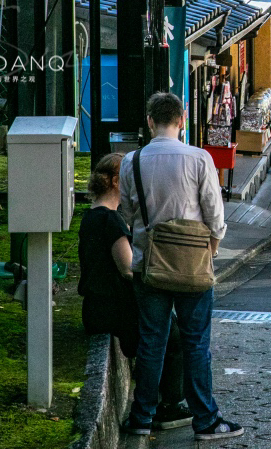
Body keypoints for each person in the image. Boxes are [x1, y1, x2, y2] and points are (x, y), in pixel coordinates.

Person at [118, 92, 241, 440]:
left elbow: (126, 215)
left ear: (150, 121)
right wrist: (210, 249)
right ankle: (205, 420)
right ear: (183, 119)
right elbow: (215, 216)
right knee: (196, 344)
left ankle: (142, 416)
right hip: (193, 268)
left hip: (149, 265)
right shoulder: (199, 159)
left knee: (152, 342)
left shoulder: (133, 161)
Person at [79, 153, 191, 432]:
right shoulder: (111, 221)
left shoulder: (92, 216)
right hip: (113, 308)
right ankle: (169, 405)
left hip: (97, 305)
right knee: (172, 333)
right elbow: (128, 268)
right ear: (117, 182)